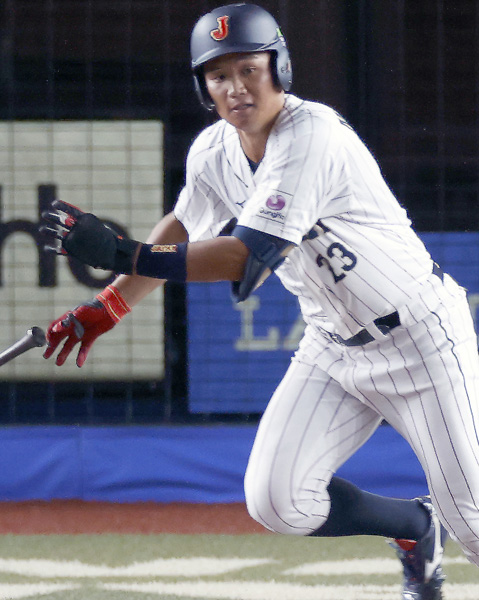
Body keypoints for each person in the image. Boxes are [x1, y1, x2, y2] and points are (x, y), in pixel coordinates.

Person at [41, 3, 479, 599]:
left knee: (473, 523)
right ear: (203, 87)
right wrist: (108, 306)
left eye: (249, 68)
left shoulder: (312, 133)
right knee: (279, 501)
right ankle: (415, 525)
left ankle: (446, 522)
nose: (236, 87)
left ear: (279, 68)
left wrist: (123, 253)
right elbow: (185, 227)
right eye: (218, 75)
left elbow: (245, 256)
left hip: (420, 339)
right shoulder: (214, 150)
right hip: (333, 348)